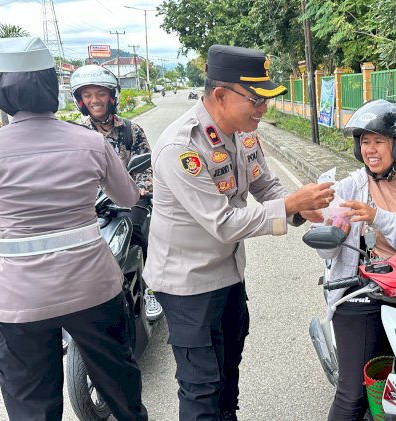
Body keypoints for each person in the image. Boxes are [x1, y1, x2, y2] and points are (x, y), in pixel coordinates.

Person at [144, 45, 334, 421]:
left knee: (229, 369)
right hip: (187, 285)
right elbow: (224, 223)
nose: (263, 108)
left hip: (228, 275)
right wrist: (292, 205)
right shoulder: (182, 147)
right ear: (220, 95)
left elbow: (267, 186)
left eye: (265, 99)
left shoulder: (244, 134)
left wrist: (304, 210)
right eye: (256, 99)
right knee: (201, 386)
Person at [0, 36, 148, 420]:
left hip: (18, 302)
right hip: (93, 289)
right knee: (123, 395)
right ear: (50, 87)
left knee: (32, 409)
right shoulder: (90, 141)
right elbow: (126, 197)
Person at [315, 99, 396, 421]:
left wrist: (377, 217)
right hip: (361, 292)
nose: (370, 150)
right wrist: (326, 224)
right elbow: (327, 250)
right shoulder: (351, 186)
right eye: (365, 141)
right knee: (352, 393)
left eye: (379, 141)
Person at [70, 64, 163, 321]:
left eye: (99, 93)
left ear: (111, 96)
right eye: (87, 95)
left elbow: (147, 168)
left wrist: (140, 191)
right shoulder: (75, 132)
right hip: (90, 204)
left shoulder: (131, 131)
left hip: (130, 200)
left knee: (142, 232)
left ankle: (152, 288)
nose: (94, 100)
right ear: (80, 100)